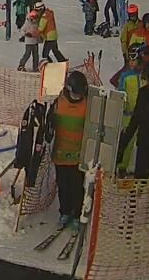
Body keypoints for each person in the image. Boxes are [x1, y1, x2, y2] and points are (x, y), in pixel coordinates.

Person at [48, 71, 89, 231]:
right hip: (60, 153)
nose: (78, 97)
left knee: (77, 186)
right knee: (63, 185)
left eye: (81, 94)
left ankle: (77, 213)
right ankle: (65, 212)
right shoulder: (59, 102)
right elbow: (49, 124)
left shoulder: (87, 104)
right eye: (76, 93)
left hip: (78, 154)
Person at [113, 44, 149, 175]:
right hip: (128, 116)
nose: (131, 63)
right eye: (130, 60)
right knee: (127, 143)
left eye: (134, 60)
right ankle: (122, 167)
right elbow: (121, 92)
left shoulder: (145, 75)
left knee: (144, 142)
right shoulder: (126, 76)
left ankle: (142, 167)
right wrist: (123, 102)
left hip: (143, 115)